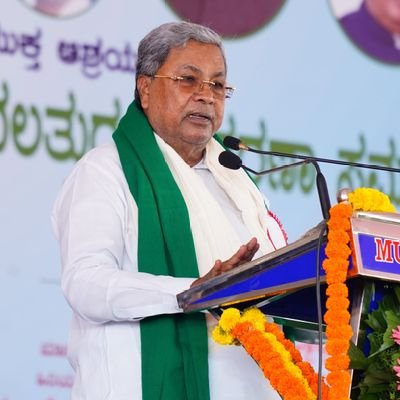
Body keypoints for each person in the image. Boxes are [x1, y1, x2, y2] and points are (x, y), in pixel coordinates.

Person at [52, 21, 287, 399]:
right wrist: (191, 292)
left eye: (217, 85)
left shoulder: (238, 183)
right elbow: (85, 283)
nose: (206, 96)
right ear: (145, 89)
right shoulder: (106, 171)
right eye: (188, 80)